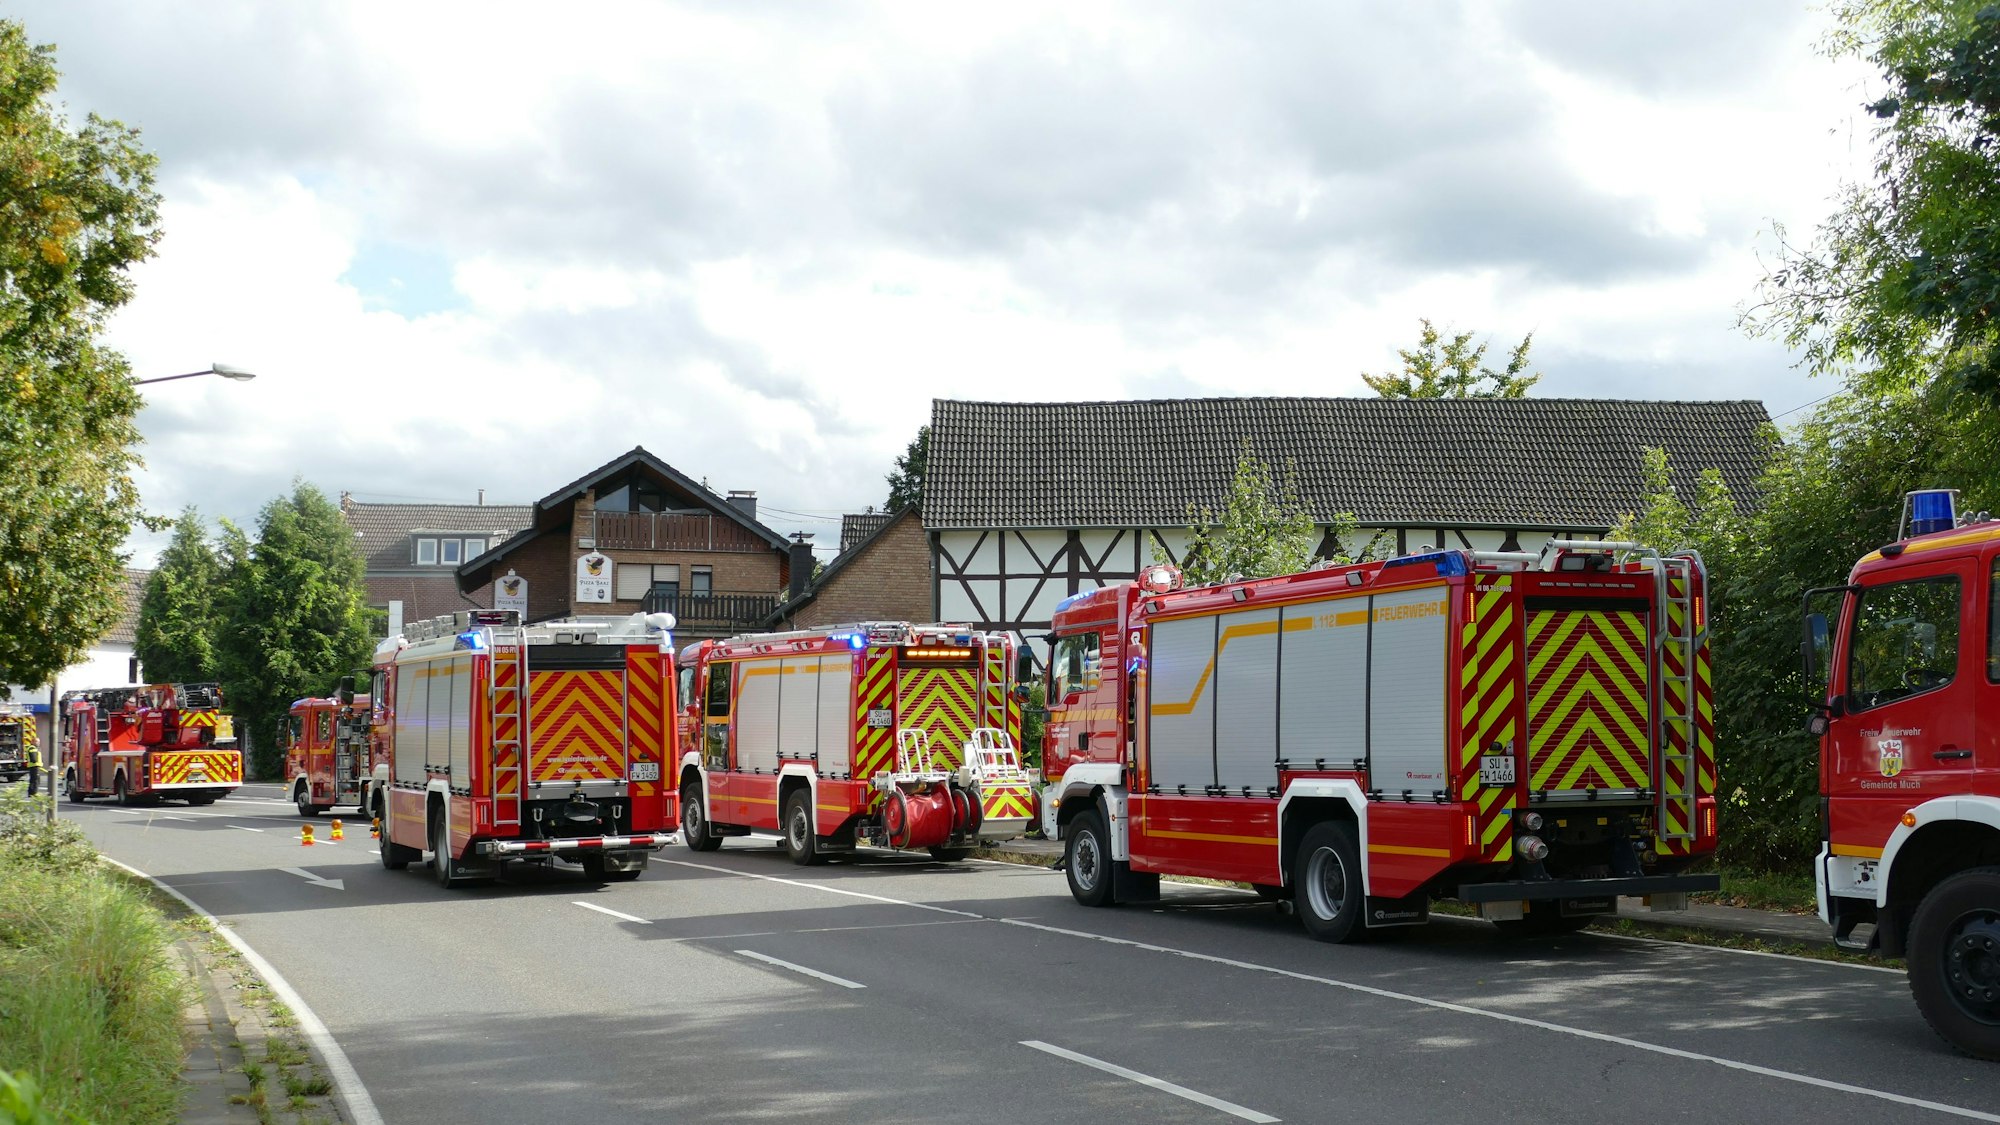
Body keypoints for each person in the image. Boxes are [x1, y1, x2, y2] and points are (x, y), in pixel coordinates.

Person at [22, 731, 41, 796]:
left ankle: (31, 792)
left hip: (34, 766)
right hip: (34, 766)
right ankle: (34, 793)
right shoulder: (32, 748)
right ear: (32, 742)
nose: (38, 743)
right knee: (35, 780)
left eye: (38, 742)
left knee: (34, 780)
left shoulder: (33, 748)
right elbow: (33, 757)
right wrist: (35, 761)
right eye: (37, 741)